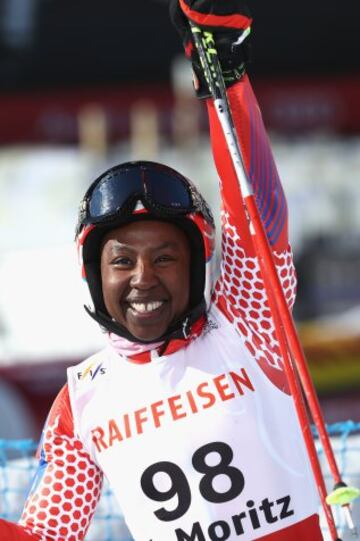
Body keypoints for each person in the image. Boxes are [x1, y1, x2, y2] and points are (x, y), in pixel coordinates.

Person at [0, 1, 324, 540]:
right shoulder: (82, 401)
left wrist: (225, 73)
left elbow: (256, 216)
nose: (143, 277)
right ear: (94, 276)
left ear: (196, 265)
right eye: (121, 260)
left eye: (166, 257)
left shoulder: (246, 323)